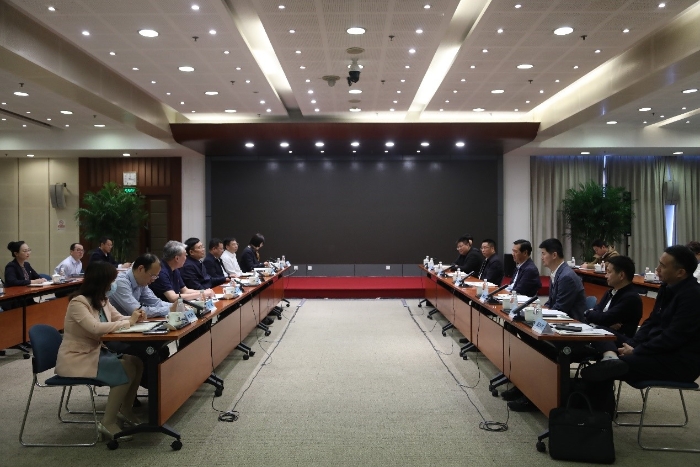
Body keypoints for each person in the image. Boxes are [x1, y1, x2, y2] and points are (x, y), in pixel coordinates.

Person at [581, 245, 700, 415]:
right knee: (602, 334)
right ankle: (609, 364)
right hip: (654, 349)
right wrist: (633, 343)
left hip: (677, 361)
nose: (657, 269)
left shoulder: (693, 296)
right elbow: (651, 322)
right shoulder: (666, 288)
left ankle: (597, 415)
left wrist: (637, 350)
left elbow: (673, 338)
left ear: (680, 272)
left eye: (662, 266)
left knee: (607, 369)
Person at [54, 261, 145, 440]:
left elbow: (119, 318)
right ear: (101, 281)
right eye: (111, 281)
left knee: (136, 361)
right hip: (77, 358)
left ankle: (126, 410)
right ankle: (107, 422)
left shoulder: (103, 300)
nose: (113, 285)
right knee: (126, 368)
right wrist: (129, 322)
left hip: (95, 352)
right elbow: (95, 328)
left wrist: (135, 317)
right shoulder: (78, 303)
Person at [506, 238, 587, 412]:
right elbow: (551, 303)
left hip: (569, 332)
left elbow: (560, 309)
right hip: (558, 326)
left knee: (534, 348)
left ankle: (534, 396)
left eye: (543, 254)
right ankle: (524, 388)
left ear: (554, 255)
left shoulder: (566, 276)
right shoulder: (557, 272)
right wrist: (537, 312)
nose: (541, 257)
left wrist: (538, 314)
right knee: (527, 342)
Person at [583, 255, 643, 338]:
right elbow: (598, 312)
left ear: (621, 275)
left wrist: (588, 313)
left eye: (609, 272)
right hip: (600, 333)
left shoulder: (631, 298)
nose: (606, 276)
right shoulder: (610, 292)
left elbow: (605, 318)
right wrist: (603, 321)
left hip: (615, 341)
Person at [108, 253, 176, 318]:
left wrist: (177, 306)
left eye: (155, 277)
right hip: (116, 324)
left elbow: (155, 303)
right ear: (141, 269)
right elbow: (137, 311)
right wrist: (169, 309)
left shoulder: (141, 282)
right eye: (152, 276)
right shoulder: (120, 282)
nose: (153, 280)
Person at [149, 240, 214, 302]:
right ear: (177, 258)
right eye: (185, 255)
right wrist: (201, 294)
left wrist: (203, 292)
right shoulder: (161, 272)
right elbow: (173, 298)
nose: (186, 258)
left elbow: (185, 290)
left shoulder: (175, 269)